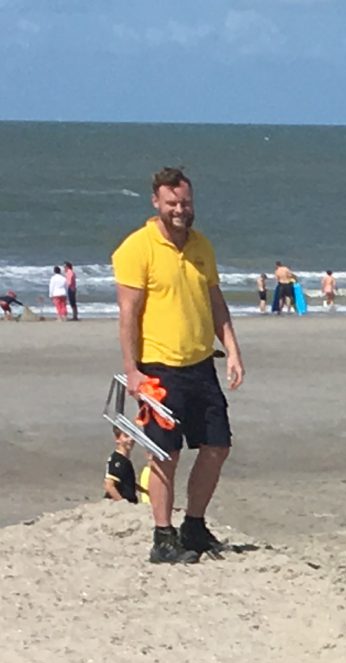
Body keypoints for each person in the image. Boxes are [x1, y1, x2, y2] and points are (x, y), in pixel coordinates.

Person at [113, 165, 245, 566]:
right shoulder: (137, 248)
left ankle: (194, 524)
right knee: (165, 455)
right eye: (172, 203)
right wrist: (133, 371)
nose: (180, 210)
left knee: (217, 446)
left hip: (201, 364)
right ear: (156, 202)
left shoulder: (202, 246)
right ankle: (162, 537)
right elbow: (127, 313)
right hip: (158, 369)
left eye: (185, 202)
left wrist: (233, 349)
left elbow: (215, 300)